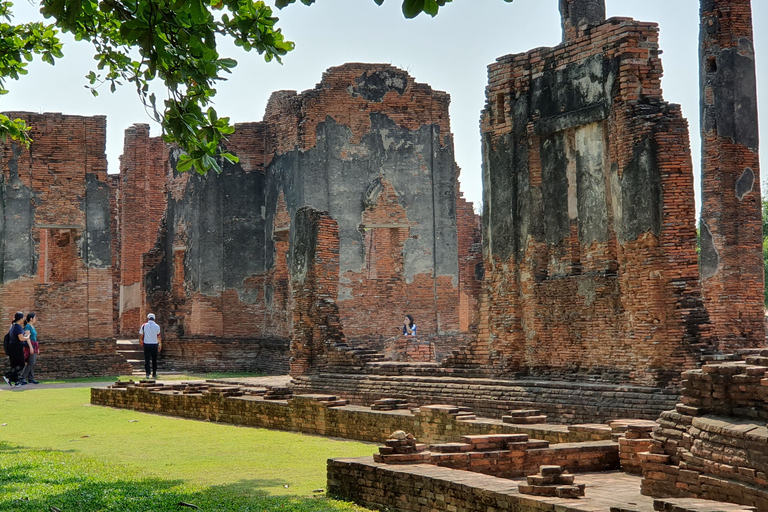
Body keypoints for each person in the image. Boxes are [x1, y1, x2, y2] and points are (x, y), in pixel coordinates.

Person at [3, 312, 30, 387]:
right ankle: (8, 376)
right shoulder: (18, 326)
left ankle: (16, 382)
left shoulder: (12, 326)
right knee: (21, 364)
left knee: (14, 365)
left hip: (12, 347)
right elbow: (21, 338)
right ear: (21, 319)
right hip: (16, 348)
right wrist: (27, 337)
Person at [19, 312, 39, 385]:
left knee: (31, 362)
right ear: (31, 319)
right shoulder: (28, 326)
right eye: (35, 318)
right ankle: (22, 377)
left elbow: (34, 338)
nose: (35, 319)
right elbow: (27, 338)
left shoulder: (32, 326)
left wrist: (37, 347)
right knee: (31, 362)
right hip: (30, 345)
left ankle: (31, 378)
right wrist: (31, 347)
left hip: (34, 345)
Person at [139, 313, 162, 379]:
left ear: (148, 318)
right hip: (154, 344)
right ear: (154, 319)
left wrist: (140, 341)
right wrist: (160, 344)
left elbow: (141, 335)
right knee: (154, 359)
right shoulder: (157, 326)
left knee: (147, 359)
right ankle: (154, 373)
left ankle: (147, 373)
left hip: (146, 344)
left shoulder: (144, 325)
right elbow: (159, 336)